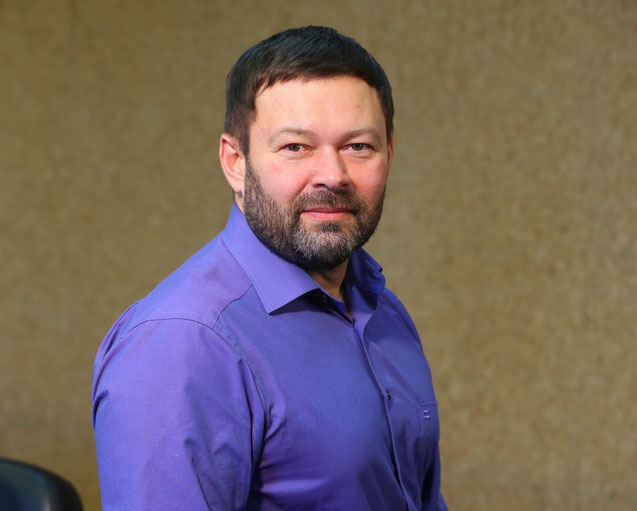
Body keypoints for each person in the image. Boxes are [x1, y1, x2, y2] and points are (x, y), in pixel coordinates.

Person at [92, 26, 447, 511]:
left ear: (390, 152)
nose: (332, 176)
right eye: (295, 147)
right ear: (235, 162)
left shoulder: (384, 312)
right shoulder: (182, 344)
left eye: (358, 146)